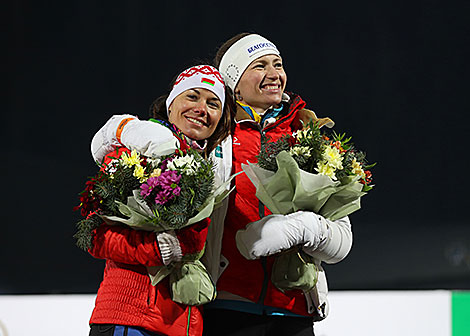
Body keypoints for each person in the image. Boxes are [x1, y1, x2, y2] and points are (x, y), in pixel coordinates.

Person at [90, 33, 353, 336]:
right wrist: (123, 127)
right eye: (259, 66)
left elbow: (342, 242)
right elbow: (115, 151)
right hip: (224, 309)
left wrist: (305, 228)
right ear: (235, 82)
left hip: (294, 309)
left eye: (277, 64)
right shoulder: (211, 139)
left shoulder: (309, 139)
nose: (273, 74)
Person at [85, 64, 235, 336]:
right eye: (192, 96)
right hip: (129, 317)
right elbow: (95, 235)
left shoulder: (211, 168)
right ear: (170, 104)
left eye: (213, 103)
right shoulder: (132, 152)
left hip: (183, 323)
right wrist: (153, 248)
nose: (202, 108)